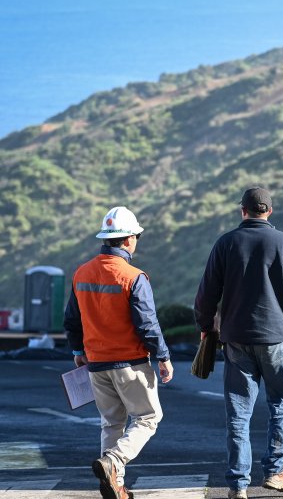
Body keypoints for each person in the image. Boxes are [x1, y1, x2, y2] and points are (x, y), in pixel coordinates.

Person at [194, 187, 283, 499]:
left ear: (242, 210)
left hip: (236, 341)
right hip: (275, 339)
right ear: (269, 211)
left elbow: (206, 295)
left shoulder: (226, 243)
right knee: (281, 404)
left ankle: (237, 486)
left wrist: (206, 328)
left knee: (238, 414)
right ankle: (276, 471)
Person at [64, 206, 173, 499]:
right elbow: (147, 323)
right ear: (127, 240)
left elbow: (71, 320)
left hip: (96, 364)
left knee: (112, 423)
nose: (136, 241)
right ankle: (114, 462)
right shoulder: (133, 276)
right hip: (131, 363)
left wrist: (78, 350)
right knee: (148, 418)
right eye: (136, 236)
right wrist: (162, 356)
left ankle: (117, 486)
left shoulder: (81, 273)